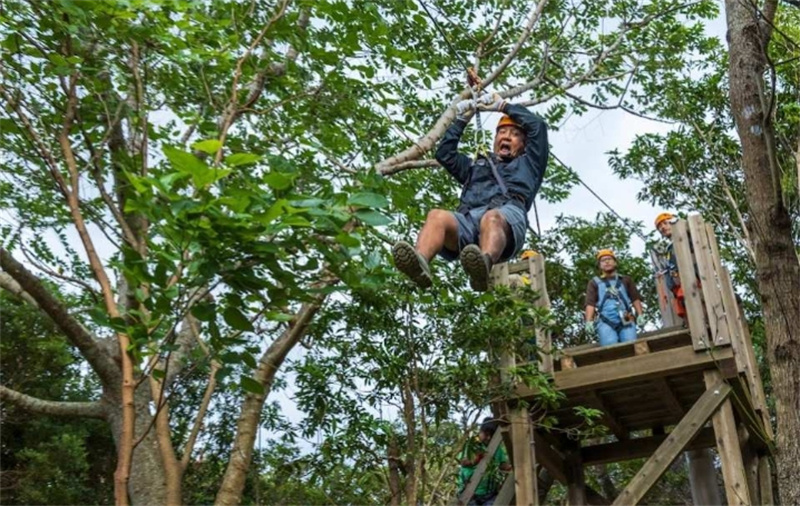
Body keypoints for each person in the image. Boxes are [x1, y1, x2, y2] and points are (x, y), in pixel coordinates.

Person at [392, 92, 548, 291]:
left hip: (506, 217)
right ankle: (420, 263)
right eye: (502, 132)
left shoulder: (530, 164)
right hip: (470, 221)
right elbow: (444, 154)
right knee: (437, 216)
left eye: (515, 134)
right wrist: (462, 118)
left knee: (492, 217)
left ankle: (483, 266)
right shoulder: (477, 166)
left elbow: (538, 127)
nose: (507, 136)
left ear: (524, 145)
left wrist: (503, 106)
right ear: (495, 139)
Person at [584, 249, 645, 346]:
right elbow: (590, 303)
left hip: (626, 317)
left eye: (609, 259)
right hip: (606, 320)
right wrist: (588, 321)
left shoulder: (625, 280)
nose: (607, 262)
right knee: (610, 345)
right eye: (603, 260)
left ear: (615, 262)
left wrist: (640, 314)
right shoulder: (594, 283)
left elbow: (635, 298)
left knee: (630, 344)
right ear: (599, 265)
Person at [456, 417, 512, 506]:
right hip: (470, 493)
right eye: (486, 434)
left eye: (491, 435)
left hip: (489, 494)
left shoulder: (497, 449)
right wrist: (476, 459)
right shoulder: (471, 445)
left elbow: (502, 464)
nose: (488, 438)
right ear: (480, 431)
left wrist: (509, 467)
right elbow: (462, 462)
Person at [654, 212, 688, 319]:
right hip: (678, 289)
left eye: (665, 223)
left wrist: (677, 222)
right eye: (660, 227)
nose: (663, 228)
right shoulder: (669, 248)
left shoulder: (685, 237)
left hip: (690, 284)